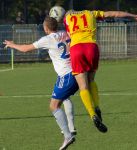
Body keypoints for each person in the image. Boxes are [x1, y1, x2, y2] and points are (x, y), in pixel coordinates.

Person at [51, 8, 137, 133]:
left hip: (76, 49)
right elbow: (114, 13)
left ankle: (92, 114)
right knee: (91, 80)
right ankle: (97, 106)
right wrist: (135, 15)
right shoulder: (91, 13)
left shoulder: (66, 19)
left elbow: (58, 33)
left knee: (83, 86)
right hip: (91, 47)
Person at [4, 16, 78, 150]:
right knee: (62, 100)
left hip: (66, 76)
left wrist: (12, 44)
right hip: (76, 73)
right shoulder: (65, 33)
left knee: (54, 106)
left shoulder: (47, 39)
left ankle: (68, 135)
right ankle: (69, 130)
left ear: (46, 28)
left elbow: (26, 49)